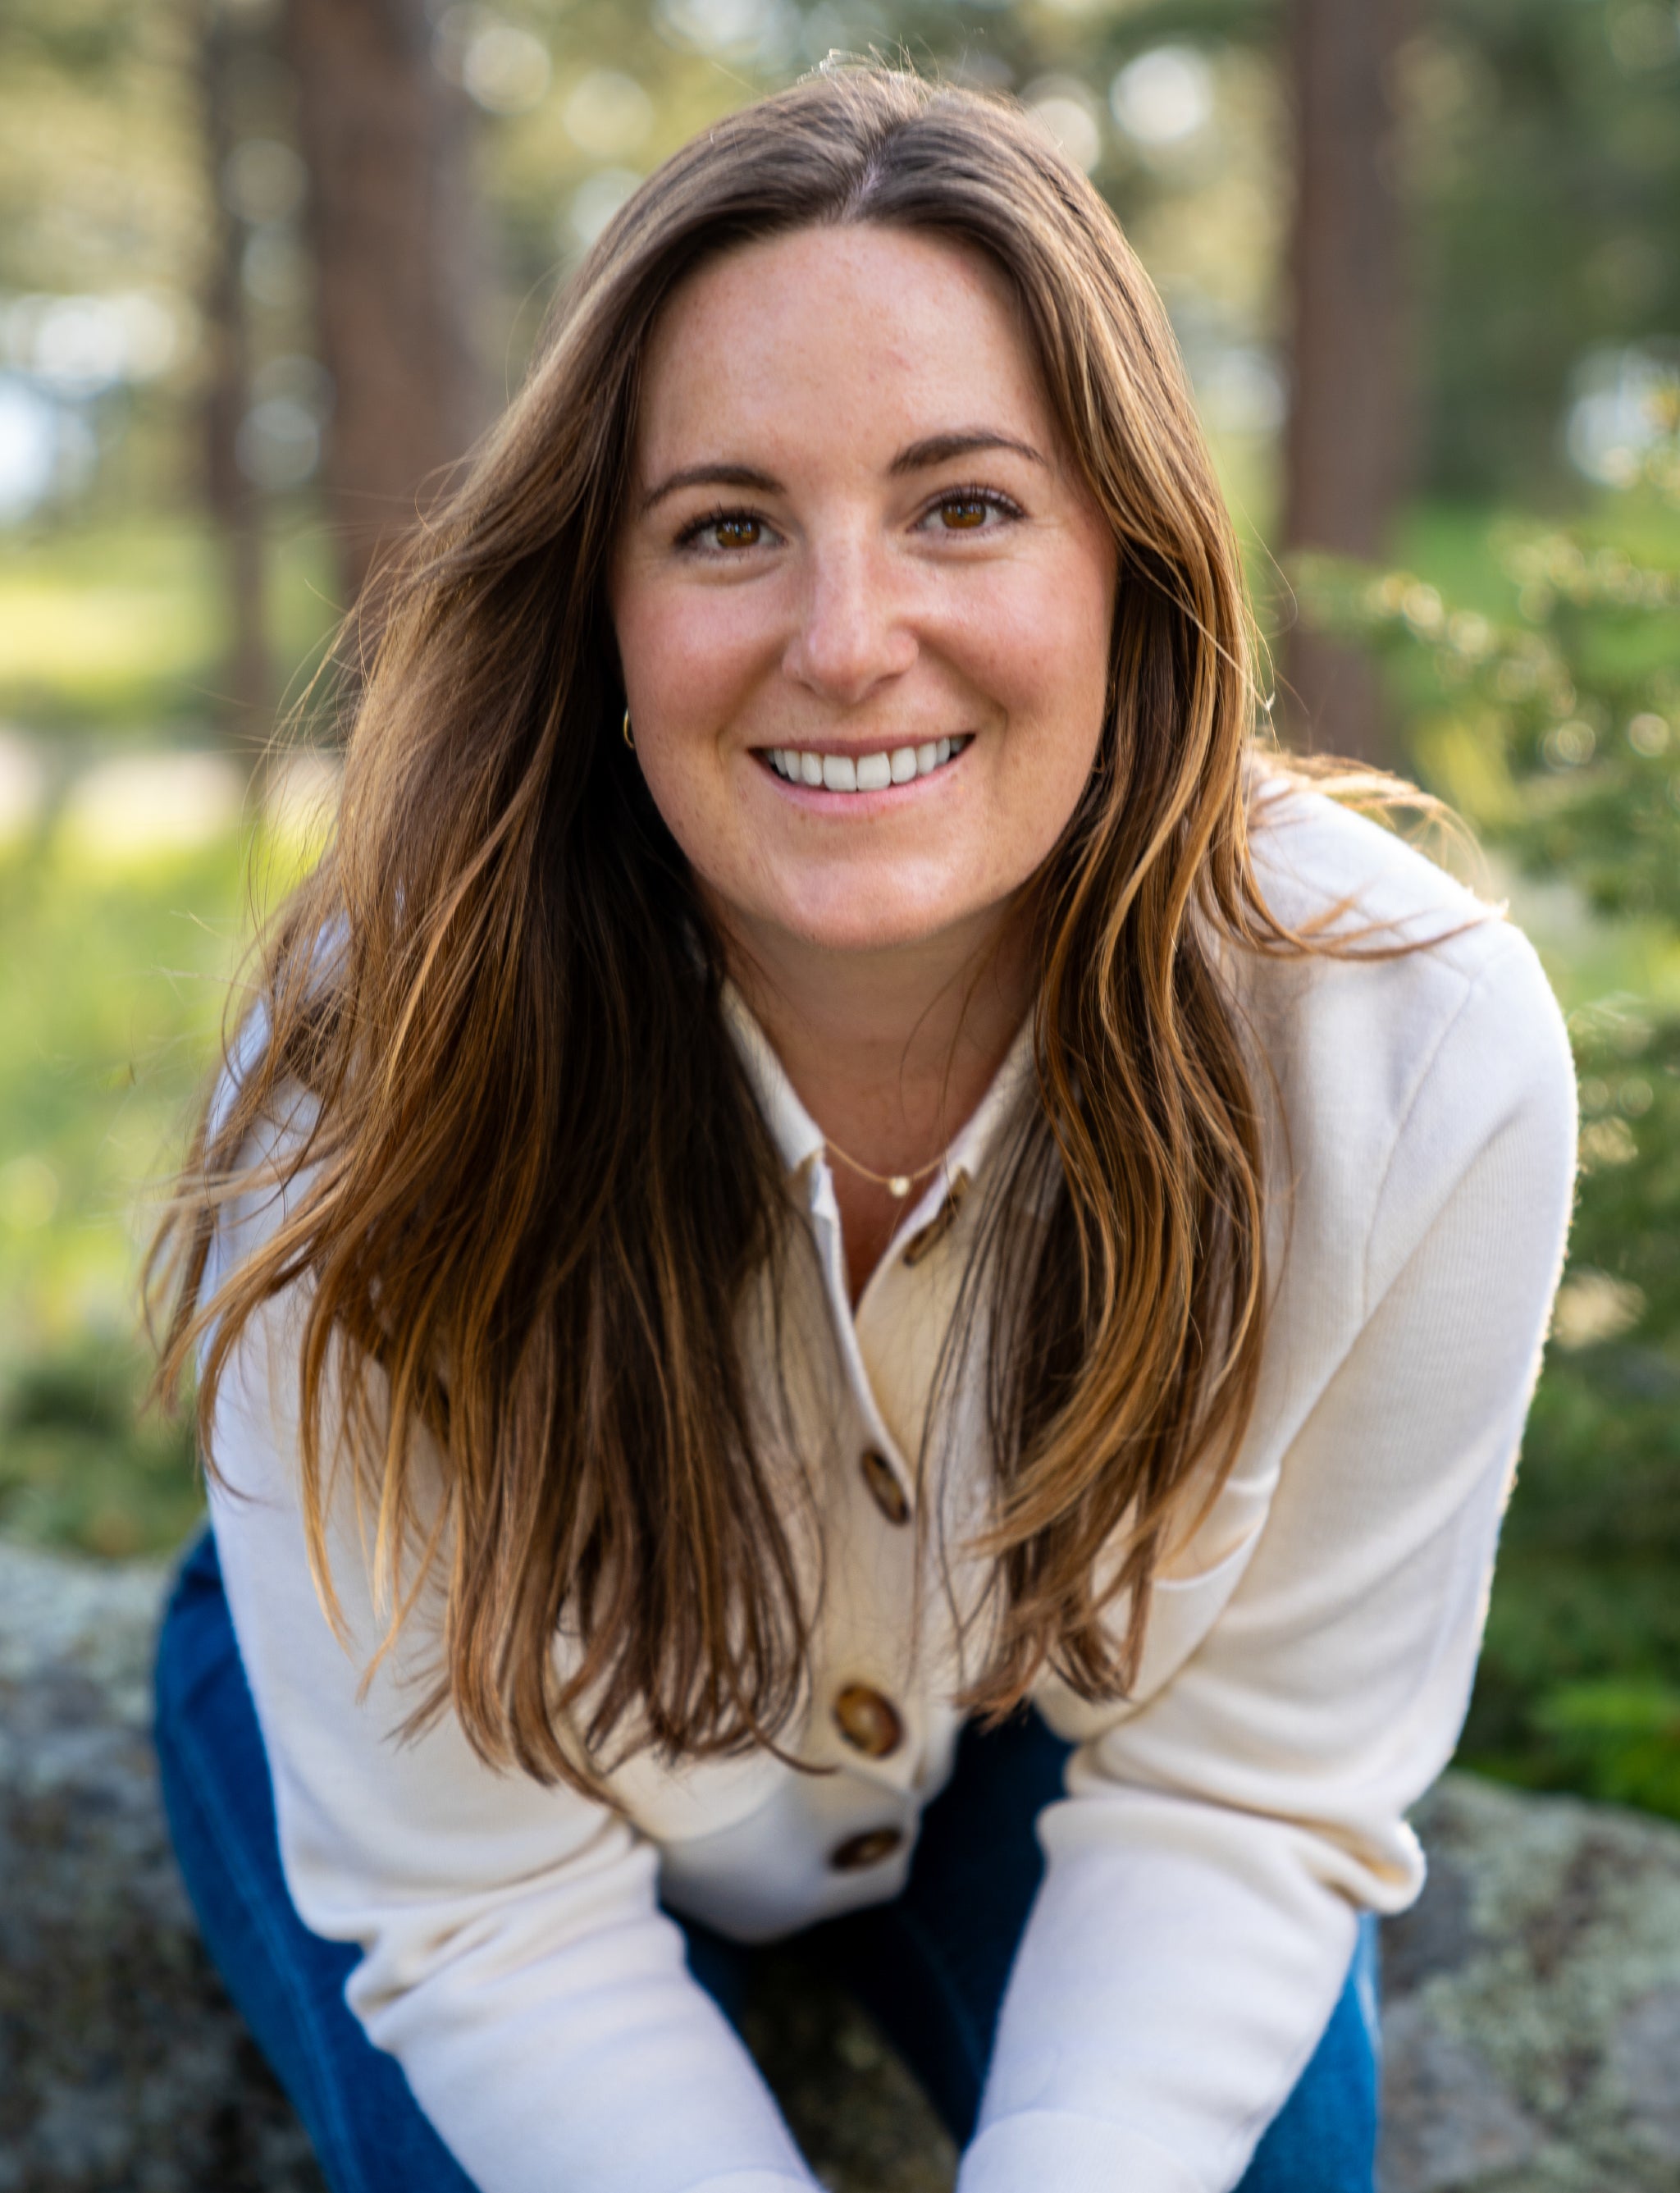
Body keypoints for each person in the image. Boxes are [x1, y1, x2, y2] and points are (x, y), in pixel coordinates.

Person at [148, 65, 1576, 2193]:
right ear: (602, 610)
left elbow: (1247, 1794)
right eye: (727, 526)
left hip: (1035, 1717)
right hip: (452, 1782)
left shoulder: (1407, 1048)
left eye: (963, 506)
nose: (844, 640)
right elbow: (489, 1917)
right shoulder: (374, 1064)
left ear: (1126, 557)